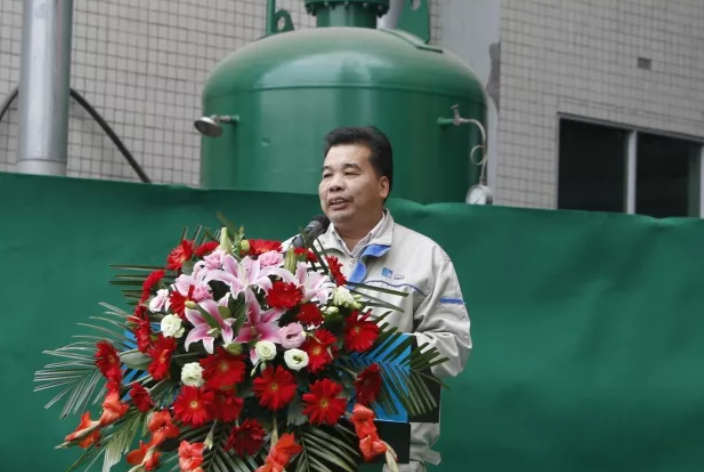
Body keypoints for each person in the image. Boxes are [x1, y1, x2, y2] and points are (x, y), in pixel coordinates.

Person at [303, 125, 472, 472]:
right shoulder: (297, 255)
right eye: (327, 174)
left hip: (393, 448)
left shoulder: (426, 257)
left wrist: (372, 348)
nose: (335, 184)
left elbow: (454, 347)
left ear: (383, 186)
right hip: (309, 445)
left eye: (350, 173)